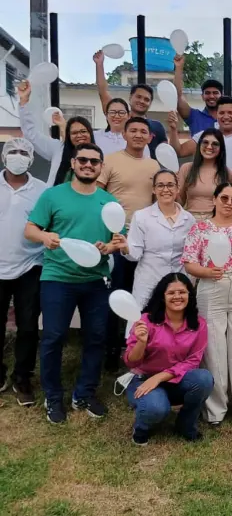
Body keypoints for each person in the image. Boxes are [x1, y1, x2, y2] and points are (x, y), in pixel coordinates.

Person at [24, 143, 126, 423]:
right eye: (83, 160)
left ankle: (84, 393)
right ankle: (53, 396)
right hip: (58, 278)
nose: (88, 165)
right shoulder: (53, 195)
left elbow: (118, 240)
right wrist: (45, 237)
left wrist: (109, 247)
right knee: (54, 337)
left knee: (96, 338)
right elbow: (30, 229)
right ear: (73, 163)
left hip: (96, 280)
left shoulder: (109, 202)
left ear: (101, 166)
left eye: (94, 161)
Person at [181, 183, 232, 426]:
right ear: (214, 199)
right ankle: (215, 410)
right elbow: (188, 262)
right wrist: (206, 271)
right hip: (210, 286)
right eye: (224, 198)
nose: (229, 203)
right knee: (214, 350)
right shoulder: (200, 228)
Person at [97, 117, 161, 371]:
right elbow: (98, 196)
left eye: (143, 131)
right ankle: (112, 351)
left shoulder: (154, 165)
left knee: (143, 297)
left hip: (146, 239)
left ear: (150, 137)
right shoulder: (110, 160)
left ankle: (140, 348)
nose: (138, 135)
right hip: (117, 238)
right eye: (133, 130)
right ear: (124, 134)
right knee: (117, 295)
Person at [124, 273, 213, 445]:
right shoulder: (146, 321)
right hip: (144, 379)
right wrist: (141, 343)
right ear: (162, 296)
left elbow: (193, 361)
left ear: (189, 295)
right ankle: (141, 428)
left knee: (204, 379)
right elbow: (130, 362)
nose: (177, 296)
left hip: (175, 379)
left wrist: (159, 377)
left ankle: (186, 425)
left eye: (182, 292)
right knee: (156, 408)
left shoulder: (198, 324)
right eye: (171, 293)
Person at [0, 138, 46, 406]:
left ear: (31, 159)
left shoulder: (41, 190)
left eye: (24, 152)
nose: (18, 156)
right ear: (4, 156)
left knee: (28, 326)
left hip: (30, 265)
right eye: (13, 151)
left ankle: (22, 377)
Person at [123, 170, 196, 309]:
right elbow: (135, 254)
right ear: (154, 189)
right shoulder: (141, 217)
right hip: (149, 281)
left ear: (178, 188)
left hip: (177, 284)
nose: (165, 190)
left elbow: (190, 255)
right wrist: (125, 248)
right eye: (160, 185)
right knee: (143, 319)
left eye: (170, 185)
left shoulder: (189, 219)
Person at [17, 79, 95, 186]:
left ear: (90, 133)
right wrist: (24, 101)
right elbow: (31, 133)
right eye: (74, 133)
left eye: (83, 131)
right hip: (54, 195)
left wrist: (62, 125)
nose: (79, 135)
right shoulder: (58, 148)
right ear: (68, 135)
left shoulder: (98, 155)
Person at [94, 51, 167, 156]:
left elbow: (165, 152)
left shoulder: (157, 126)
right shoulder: (120, 118)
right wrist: (99, 65)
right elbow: (103, 92)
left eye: (146, 99)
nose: (142, 101)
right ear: (130, 97)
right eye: (138, 97)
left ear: (150, 103)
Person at [168, 97, 232, 175]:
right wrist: (173, 129)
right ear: (216, 115)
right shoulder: (204, 135)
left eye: (230, 113)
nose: (226, 117)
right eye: (221, 113)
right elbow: (179, 151)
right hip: (208, 187)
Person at [175, 129, 232, 220]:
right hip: (190, 220)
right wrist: (172, 189)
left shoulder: (227, 173)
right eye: (205, 142)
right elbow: (179, 202)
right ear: (199, 145)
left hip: (216, 221)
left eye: (215, 144)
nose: (209, 147)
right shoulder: (186, 168)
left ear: (221, 148)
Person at [173, 55, 221, 135]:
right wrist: (179, 67)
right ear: (202, 96)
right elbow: (177, 96)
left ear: (222, 96)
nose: (211, 96)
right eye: (207, 93)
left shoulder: (229, 119)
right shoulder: (194, 116)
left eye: (215, 93)